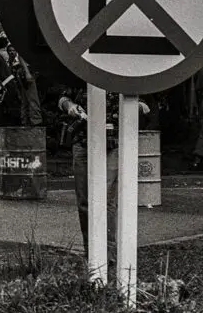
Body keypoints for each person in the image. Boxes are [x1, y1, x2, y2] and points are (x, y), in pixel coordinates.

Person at [59, 83, 149, 260]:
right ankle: (91, 253)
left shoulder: (124, 72)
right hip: (83, 140)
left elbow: (145, 106)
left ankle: (108, 254)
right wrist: (70, 107)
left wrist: (131, 109)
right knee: (85, 200)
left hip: (112, 143)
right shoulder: (83, 71)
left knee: (106, 198)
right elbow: (63, 98)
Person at [0, 37, 44, 126]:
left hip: (24, 74)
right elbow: (21, 56)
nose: (11, 52)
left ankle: (26, 122)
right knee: (32, 99)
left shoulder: (26, 45)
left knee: (26, 100)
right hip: (26, 73)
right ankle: (35, 121)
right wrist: (27, 73)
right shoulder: (28, 46)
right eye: (10, 50)